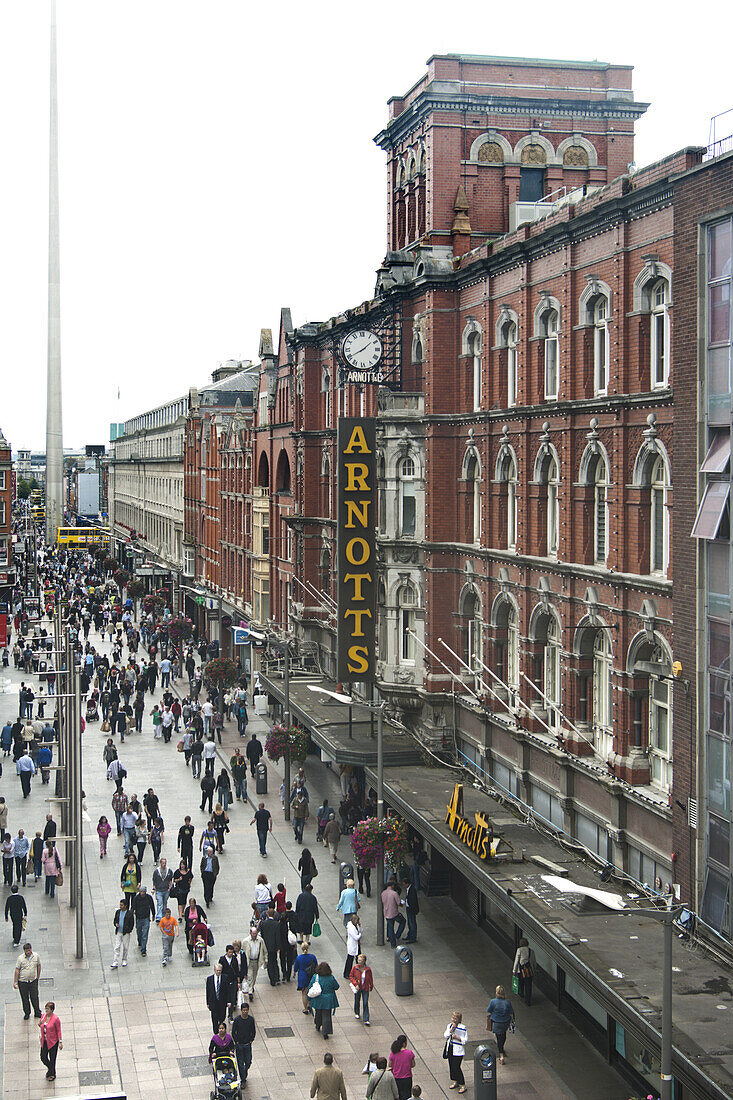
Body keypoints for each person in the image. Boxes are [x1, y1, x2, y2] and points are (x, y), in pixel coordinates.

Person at [308, 961, 340, 1040]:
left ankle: (318, 1025)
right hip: (328, 999)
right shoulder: (331, 977)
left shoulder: (315, 977)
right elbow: (336, 986)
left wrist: (309, 998)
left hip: (318, 998)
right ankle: (325, 1032)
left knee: (318, 1012)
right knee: (326, 1015)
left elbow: (310, 987)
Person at [486, 985, 515, 1065]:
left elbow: (488, 1010)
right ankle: (502, 1047)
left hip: (497, 1022)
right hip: (505, 1022)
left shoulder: (493, 1001)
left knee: (498, 1038)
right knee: (503, 1035)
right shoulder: (507, 1002)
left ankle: (501, 1055)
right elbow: (511, 1011)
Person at [14, 942, 42, 1018]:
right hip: (23, 982)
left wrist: (38, 977)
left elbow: (39, 965)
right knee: (25, 998)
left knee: (35, 997)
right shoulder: (20, 958)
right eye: (26, 951)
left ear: (31, 949)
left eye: (29, 950)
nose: (28, 952)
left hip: (33, 981)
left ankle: (37, 1012)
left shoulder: (36, 956)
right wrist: (15, 982)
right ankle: (27, 1013)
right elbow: (17, 969)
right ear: (24, 951)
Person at [231, 1001, 256, 1084]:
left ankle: (244, 1072)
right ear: (241, 1010)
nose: (245, 1012)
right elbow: (233, 1032)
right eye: (243, 1010)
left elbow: (253, 1031)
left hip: (247, 1044)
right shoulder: (237, 1020)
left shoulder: (250, 1020)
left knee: (248, 1061)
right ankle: (243, 1079)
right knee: (240, 1063)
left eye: (246, 1010)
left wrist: (251, 1040)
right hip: (239, 1045)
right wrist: (236, 1041)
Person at [443, 1011, 468, 1092]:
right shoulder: (449, 1025)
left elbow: (465, 1040)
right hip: (450, 1048)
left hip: (458, 1051)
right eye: (453, 1018)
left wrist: (457, 1038)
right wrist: (451, 1030)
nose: (453, 1020)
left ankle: (463, 1084)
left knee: (456, 1067)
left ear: (459, 1019)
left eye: (455, 1018)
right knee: (451, 1066)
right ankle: (456, 1081)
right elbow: (445, 1035)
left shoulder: (463, 1028)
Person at [38, 1000, 62, 1082]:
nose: (46, 1011)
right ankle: (50, 1069)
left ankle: (52, 1073)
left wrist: (60, 1042)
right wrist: (40, 1023)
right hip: (44, 1041)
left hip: (53, 1042)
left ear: (52, 1010)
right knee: (43, 1057)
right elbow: (40, 1025)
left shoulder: (55, 1019)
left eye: (48, 1009)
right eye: (45, 1009)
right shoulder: (44, 1016)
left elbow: (58, 1030)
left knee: (52, 1058)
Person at [294, 941, 318, 1013]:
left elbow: (295, 968)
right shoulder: (312, 957)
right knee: (310, 991)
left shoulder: (299, 958)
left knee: (304, 993)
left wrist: (294, 973)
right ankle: (309, 1004)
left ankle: (305, 1009)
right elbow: (316, 966)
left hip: (302, 976)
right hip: (310, 976)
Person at [389, 1035, 415, 1100]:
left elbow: (390, 1065)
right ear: (404, 1043)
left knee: (397, 1096)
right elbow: (413, 1064)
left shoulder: (393, 1053)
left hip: (396, 1078)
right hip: (407, 1078)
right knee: (407, 1096)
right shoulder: (409, 1053)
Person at [349, 953, 373, 1026]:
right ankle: (357, 1012)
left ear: (363, 961)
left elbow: (370, 978)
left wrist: (371, 986)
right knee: (357, 1000)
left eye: (360, 960)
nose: (358, 961)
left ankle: (366, 1019)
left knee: (365, 1002)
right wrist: (355, 984)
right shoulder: (355, 968)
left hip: (365, 987)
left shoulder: (368, 969)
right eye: (358, 960)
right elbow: (351, 976)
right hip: (358, 987)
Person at [111, 897, 135, 969]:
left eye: (122, 905)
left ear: (125, 905)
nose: (120, 906)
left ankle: (124, 959)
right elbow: (115, 920)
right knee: (117, 946)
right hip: (119, 932)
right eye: (120, 905)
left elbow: (132, 923)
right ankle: (115, 961)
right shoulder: (118, 912)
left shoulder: (129, 913)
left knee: (125, 946)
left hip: (125, 933)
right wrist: (116, 924)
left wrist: (128, 930)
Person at [206, 963, 231, 1033]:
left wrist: (229, 1001)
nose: (218, 972)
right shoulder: (209, 979)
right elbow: (208, 991)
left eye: (220, 970)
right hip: (213, 1002)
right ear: (214, 970)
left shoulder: (225, 978)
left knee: (222, 1017)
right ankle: (215, 1032)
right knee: (214, 1019)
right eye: (217, 970)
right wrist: (208, 1002)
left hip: (222, 1002)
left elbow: (228, 990)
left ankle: (221, 1030)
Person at [133, 885, 156, 956]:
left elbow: (152, 906)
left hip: (146, 918)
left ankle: (143, 949)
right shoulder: (136, 898)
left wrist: (153, 914)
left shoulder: (149, 898)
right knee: (139, 932)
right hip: (138, 918)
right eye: (141, 892)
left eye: (143, 892)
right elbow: (133, 906)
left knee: (145, 934)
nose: (142, 893)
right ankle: (140, 941)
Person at [512, 937, 536, 1007]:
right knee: (528, 985)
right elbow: (534, 962)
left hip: (521, 970)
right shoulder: (531, 951)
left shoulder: (519, 950)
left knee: (521, 982)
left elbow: (517, 961)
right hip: (529, 971)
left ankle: (521, 993)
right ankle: (528, 1000)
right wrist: (534, 970)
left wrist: (514, 970)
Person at [381, 882, 406, 948]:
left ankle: (392, 943)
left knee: (390, 927)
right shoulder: (394, 893)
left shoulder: (383, 893)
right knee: (403, 921)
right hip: (394, 913)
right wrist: (402, 903)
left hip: (386, 913)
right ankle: (397, 935)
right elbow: (399, 903)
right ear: (392, 886)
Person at [243, 927, 263, 1000]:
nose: (254, 935)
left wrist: (265, 959)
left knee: (254, 976)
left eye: (255, 933)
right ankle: (250, 991)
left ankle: (252, 986)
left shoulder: (260, 940)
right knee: (250, 976)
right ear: (250, 933)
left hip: (256, 961)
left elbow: (263, 950)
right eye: (253, 933)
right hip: (249, 961)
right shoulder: (246, 941)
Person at [401, 878, 419, 943]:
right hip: (408, 908)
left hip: (411, 909)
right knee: (410, 923)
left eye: (404, 884)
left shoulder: (412, 890)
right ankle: (410, 935)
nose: (403, 886)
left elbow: (413, 901)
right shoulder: (409, 889)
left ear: (407, 884)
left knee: (412, 923)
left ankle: (413, 937)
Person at [344, 913, 362, 978]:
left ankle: (359, 971)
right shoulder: (351, 927)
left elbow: (360, 930)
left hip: (357, 945)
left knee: (359, 958)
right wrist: (360, 934)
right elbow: (356, 937)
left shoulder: (356, 925)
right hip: (352, 945)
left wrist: (359, 927)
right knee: (350, 959)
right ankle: (346, 973)